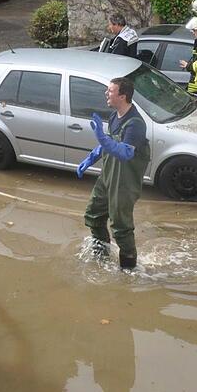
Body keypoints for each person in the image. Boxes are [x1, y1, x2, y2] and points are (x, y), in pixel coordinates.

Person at [77, 78, 151, 270]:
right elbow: (110, 142)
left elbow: (126, 153)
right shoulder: (114, 116)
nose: (106, 94)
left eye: (110, 91)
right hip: (108, 176)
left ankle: (129, 269)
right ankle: (102, 254)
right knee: (93, 214)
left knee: (121, 226)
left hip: (124, 182)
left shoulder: (135, 124)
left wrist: (102, 138)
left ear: (122, 96)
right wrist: (91, 157)